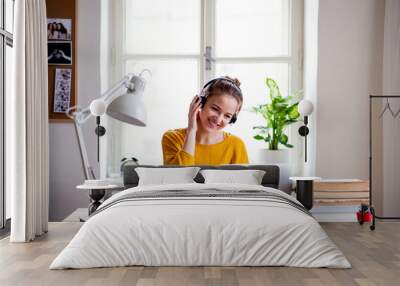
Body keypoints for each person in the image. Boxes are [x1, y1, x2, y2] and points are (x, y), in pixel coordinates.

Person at [162, 76, 249, 166]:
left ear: (232, 119)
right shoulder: (172, 138)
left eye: (227, 116)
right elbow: (179, 177)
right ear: (200, 103)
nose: (219, 119)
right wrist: (191, 131)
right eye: (215, 109)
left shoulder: (236, 145)